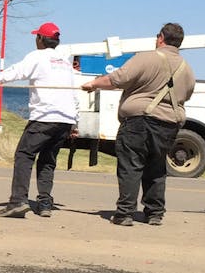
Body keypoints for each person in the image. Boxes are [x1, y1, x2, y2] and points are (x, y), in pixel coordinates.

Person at [82, 22, 195, 226]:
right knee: (157, 168)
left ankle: (125, 212)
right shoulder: (187, 68)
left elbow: (119, 78)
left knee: (131, 166)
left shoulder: (146, 58)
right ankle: (154, 213)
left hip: (139, 121)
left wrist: (94, 84)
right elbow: (186, 94)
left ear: (160, 38)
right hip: (169, 124)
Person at [0, 22, 79, 218]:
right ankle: (44, 203)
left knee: (24, 154)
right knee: (47, 160)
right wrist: (74, 122)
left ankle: (18, 200)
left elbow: (17, 70)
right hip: (65, 119)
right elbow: (74, 95)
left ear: (40, 39)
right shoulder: (65, 62)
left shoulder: (37, 56)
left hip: (45, 117)